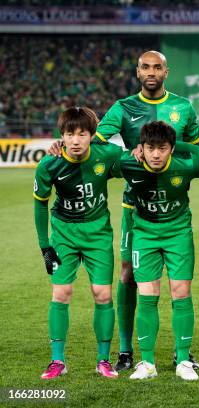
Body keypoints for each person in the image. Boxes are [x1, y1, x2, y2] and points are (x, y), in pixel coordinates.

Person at [48, 50, 199, 371]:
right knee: (128, 275)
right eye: (145, 67)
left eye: (156, 67)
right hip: (135, 207)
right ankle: (126, 349)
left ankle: (181, 354)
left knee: (179, 283)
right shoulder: (123, 108)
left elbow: (197, 147)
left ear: (166, 72)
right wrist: (64, 146)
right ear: (137, 71)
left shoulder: (183, 107)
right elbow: (97, 143)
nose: (151, 72)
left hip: (173, 206)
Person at [35, 107, 122, 379]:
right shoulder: (48, 164)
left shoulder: (106, 154)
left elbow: (131, 161)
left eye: (82, 134)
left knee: (103, 294)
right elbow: (40, 206)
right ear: (61, 136)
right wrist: (45, 247)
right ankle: (57, 361)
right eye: (69, 134)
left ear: (91, 135)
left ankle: (103, 360)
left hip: (98, 235)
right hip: (63, 236)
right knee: (61, 293)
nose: (76, 140)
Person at [120, 121, 199, 381]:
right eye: (150, 148)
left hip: (178, 235)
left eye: (162, 148)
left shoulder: (186, 166)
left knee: (181, 293)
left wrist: (183, 145)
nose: (156, 154)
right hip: (144, 237)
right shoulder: (127, 163)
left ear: (171, 149)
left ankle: (183, 360)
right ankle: (147, 362)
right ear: (141, 148)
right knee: (148, 296)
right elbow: (95, 153)